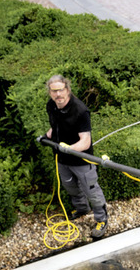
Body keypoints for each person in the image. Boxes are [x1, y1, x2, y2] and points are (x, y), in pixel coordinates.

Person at [43, 75, 108, 238]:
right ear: (50, 92)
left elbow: (85, 141)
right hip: (62, 160)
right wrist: (46, 136)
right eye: (54, 91)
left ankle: (102, 219)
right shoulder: (51, 105)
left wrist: (70, 149)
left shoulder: (80, 110)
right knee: (70, 186)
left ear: (67, 89)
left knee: (91, 190)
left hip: (81, 160)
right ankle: (82, 209)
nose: (57, 94)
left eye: (60, 90)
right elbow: (55, 126)